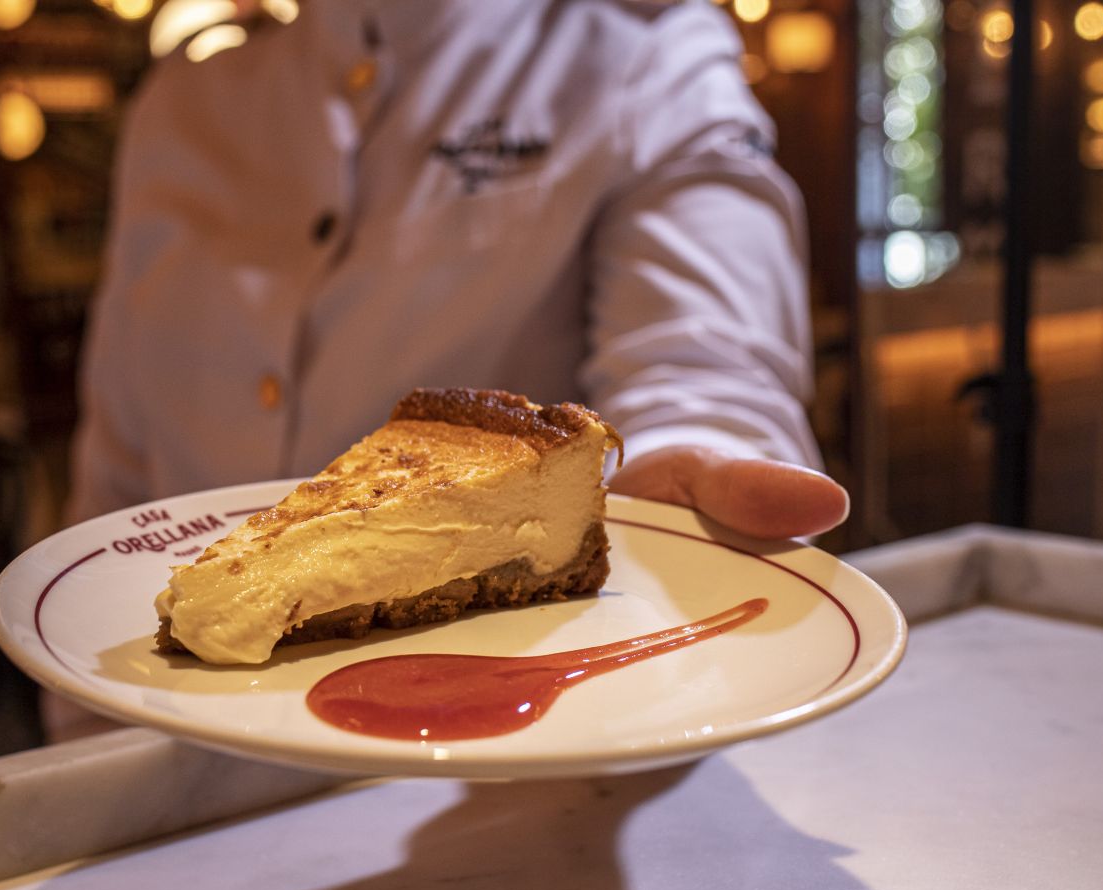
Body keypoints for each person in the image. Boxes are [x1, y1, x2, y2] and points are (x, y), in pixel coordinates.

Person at [47, 0, 846, 740]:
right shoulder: (185, 103)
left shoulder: (643, 54)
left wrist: (692, 483)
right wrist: (79, 730)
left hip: (488, 757)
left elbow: (704, 365)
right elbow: (116, 467)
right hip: (158, 742)